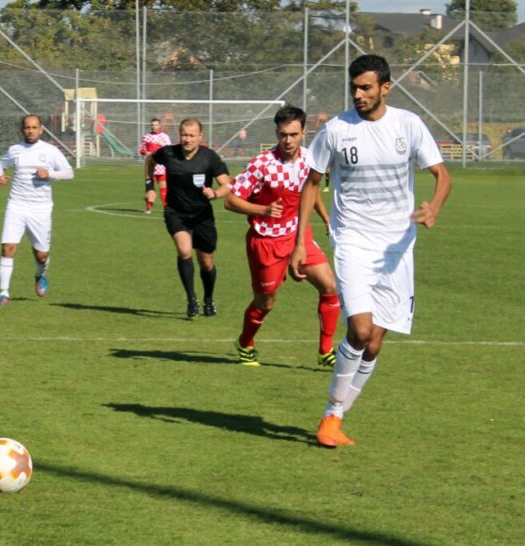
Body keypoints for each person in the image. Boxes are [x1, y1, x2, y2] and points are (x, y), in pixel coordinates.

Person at [288, 55, 451, 448]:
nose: (358, 94)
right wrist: (300, 240)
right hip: (352, 240)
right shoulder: (336, 130)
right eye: (354, 88)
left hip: (396, 246)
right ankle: (330, 416)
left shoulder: (408, 125)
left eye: (366, 87)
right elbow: (312, 183)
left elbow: (441, 174)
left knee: (375, 341)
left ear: (385, 88)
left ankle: (337, 418)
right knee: (360, 331)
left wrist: (434, 206)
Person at [225, 105, 340, 368]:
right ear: (276, 134)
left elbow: (309, 193)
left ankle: (325, 351)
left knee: (330, 286)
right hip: (266, 242)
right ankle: (245, 342)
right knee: (265, 302)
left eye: (293, 134)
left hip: (297, 234)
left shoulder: (312, 159)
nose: (287, 140)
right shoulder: (261, 165)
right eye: (282, 135)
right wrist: (262, 209)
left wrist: (325, 217)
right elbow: (230, 200)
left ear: (304, 133)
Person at [145, 118, 231, 318]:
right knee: (184, 251)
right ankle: (191, 299)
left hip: (202, 215)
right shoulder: (168, 153)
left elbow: (227, 184)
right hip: (176, 212)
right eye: (184, 134)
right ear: (179, 134)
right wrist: (150, 187)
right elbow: (150, 160)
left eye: (192, 135)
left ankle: (208, 300)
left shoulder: (210, 157)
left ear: (200, 136)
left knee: (206, 262)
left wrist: (215, 193)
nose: (187, 139)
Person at [0, 114, 74, 305]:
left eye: (34, 127)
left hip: (41, 209)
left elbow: (69, 172)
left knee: (41, 255)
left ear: (41, 129)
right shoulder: (15, 150)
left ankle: (40, 274)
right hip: (16, 206)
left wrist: (50, 174)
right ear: (22, 130)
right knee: (8, 247)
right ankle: (4, 292)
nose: (30, 131)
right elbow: (0, 164)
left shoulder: (51, 151)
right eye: (27, 128)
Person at [139, 118, 172, 214]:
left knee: (163, 187)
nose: (154, 127)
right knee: (150, 190)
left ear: (159, 125)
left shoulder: (164, 137)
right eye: (152, 125)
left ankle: (166, 208)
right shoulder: (146, 137)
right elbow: (141, 150)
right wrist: (146, 152)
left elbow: (169, 150)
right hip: (149, 166)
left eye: (156, 125)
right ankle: (148, 208)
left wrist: (158, 153)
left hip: (161, 166)